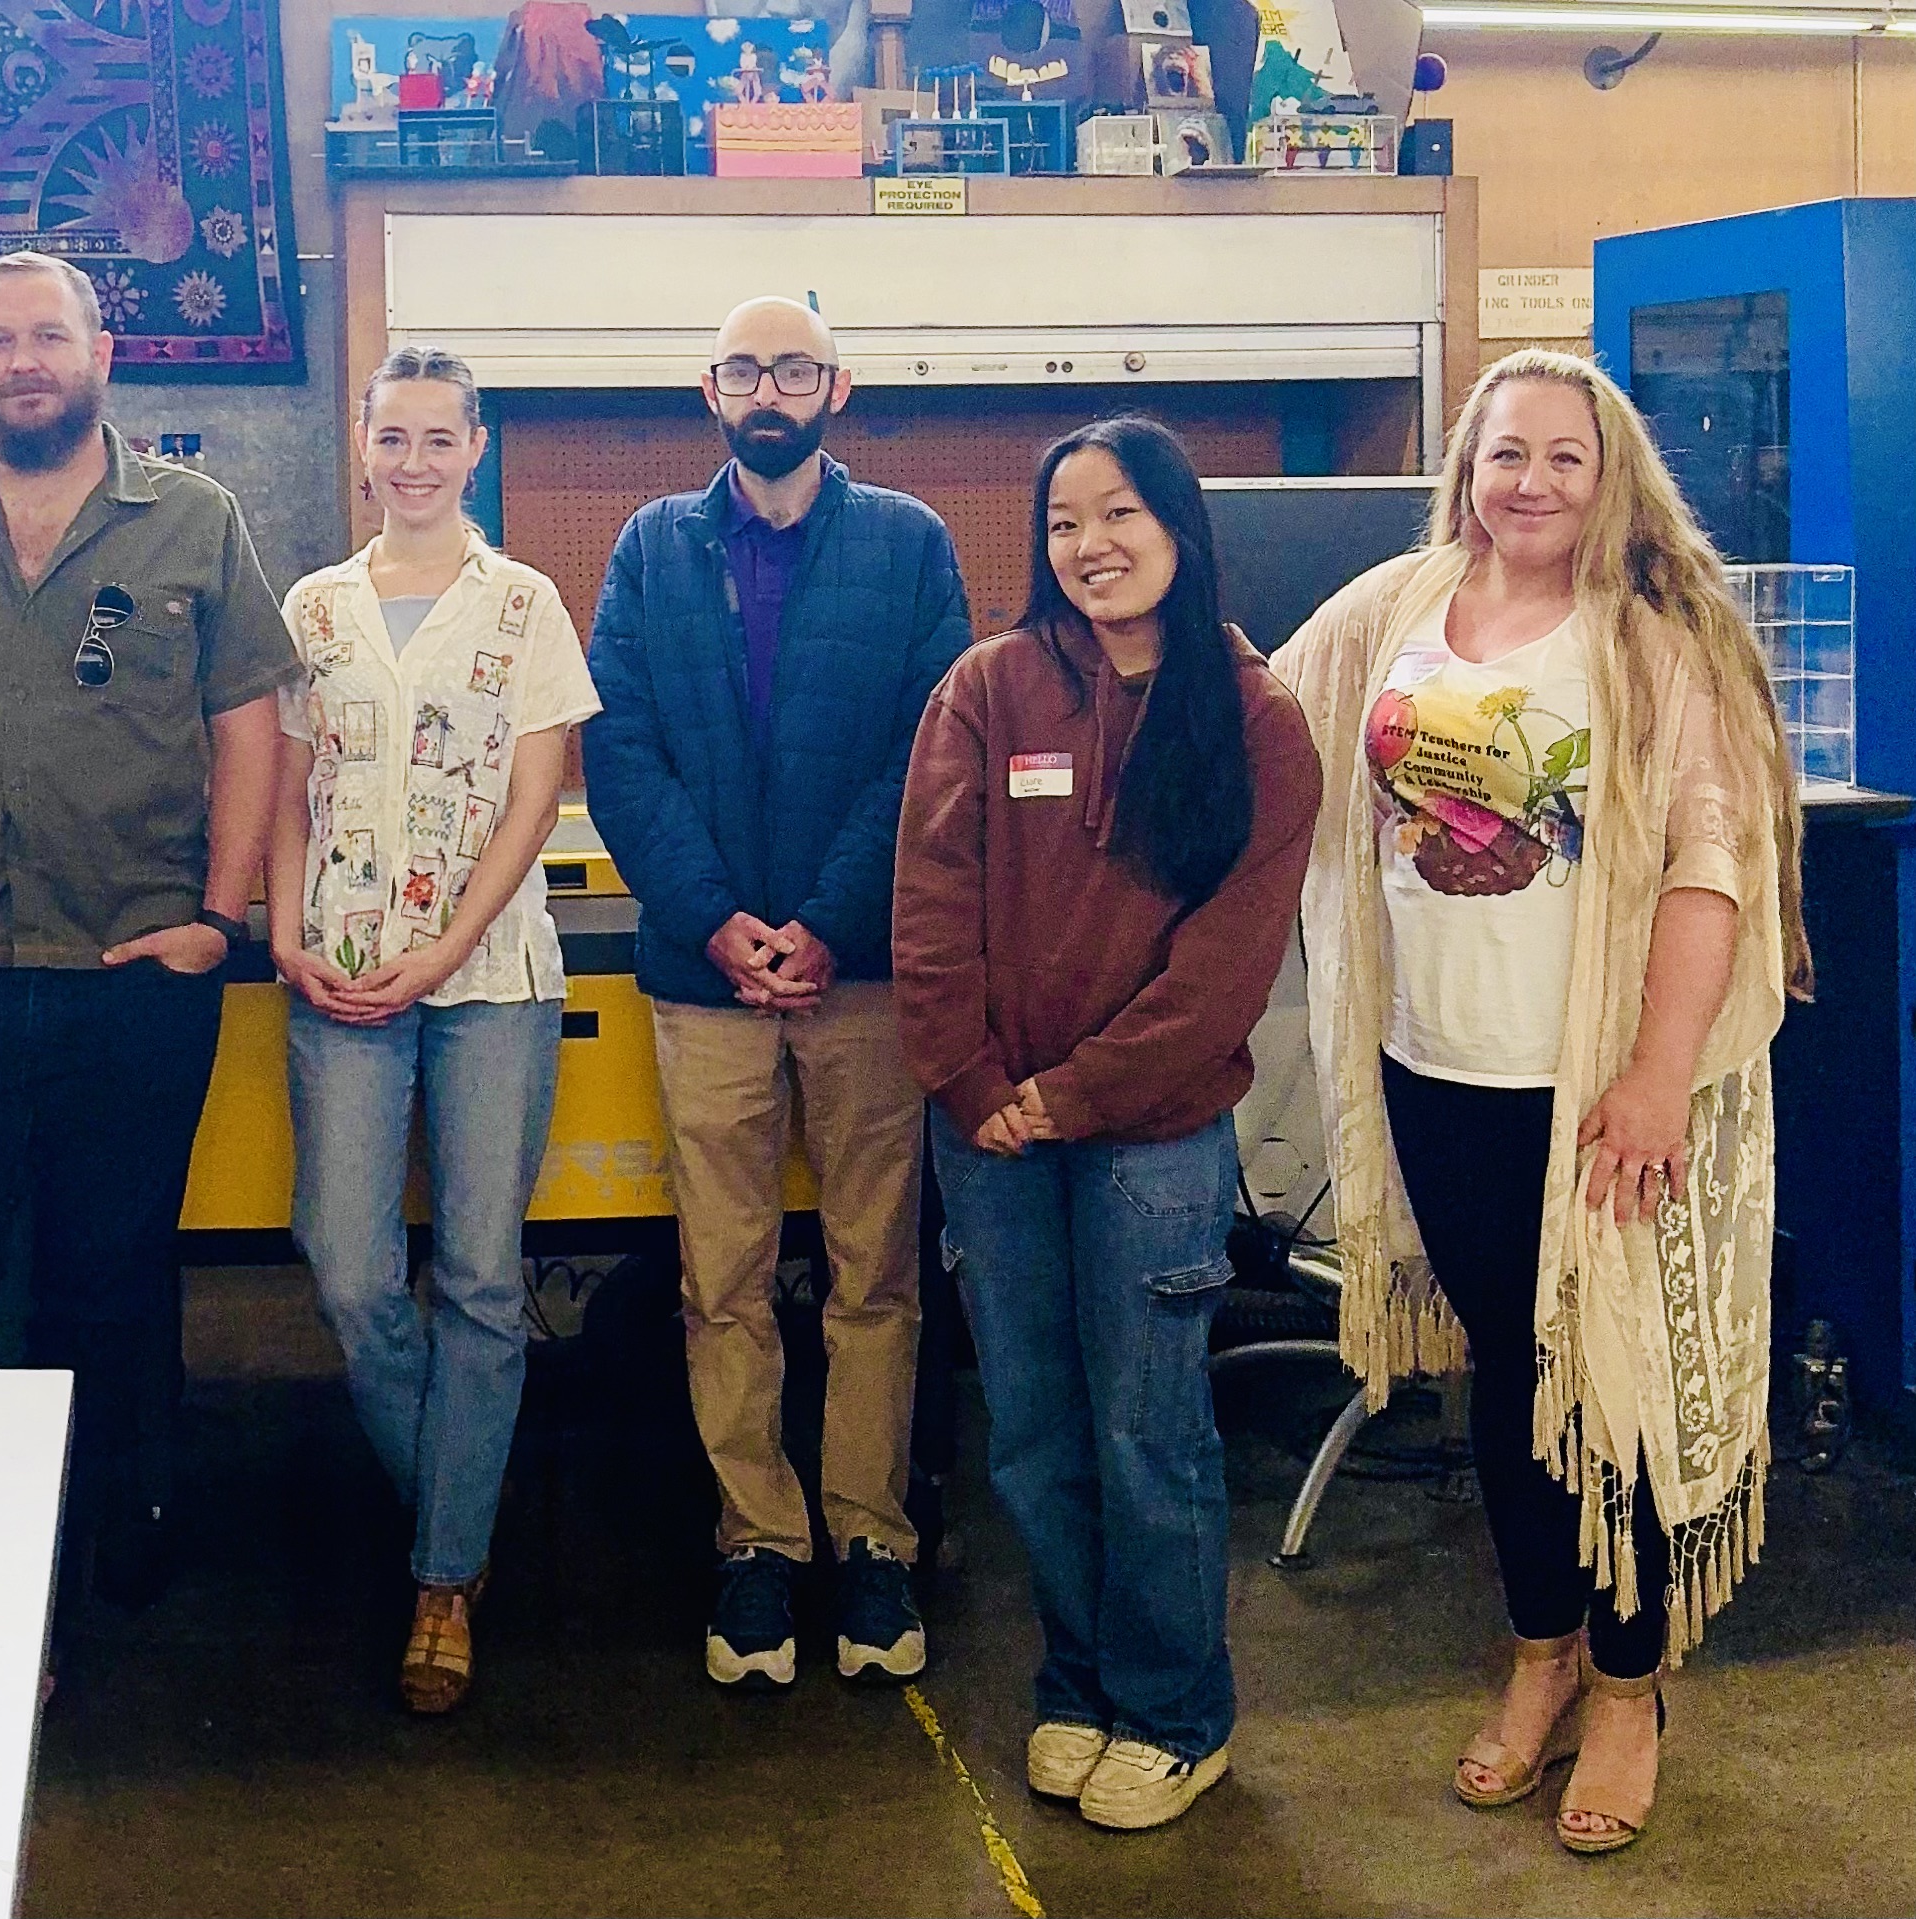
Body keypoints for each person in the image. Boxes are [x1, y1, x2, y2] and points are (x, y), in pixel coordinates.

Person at [1277, 350, 1809, 1856]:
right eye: (1506, 453)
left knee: (1606, 1382)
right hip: (1427, 1063)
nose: (1530, 482)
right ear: (1466, 466)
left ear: (1608, 476)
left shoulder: (1650, 645)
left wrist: (1652, 1073)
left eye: (1563, 458)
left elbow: (1713, 868)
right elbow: (1264, 708)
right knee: (1507, 1381)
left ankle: (1628, 1683)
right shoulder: (1392, 609)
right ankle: (1538, 1647)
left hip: (1581, 1092)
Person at [0, 250, 297, 1606]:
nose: (20, 361)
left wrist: (221, 916)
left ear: (102, 350)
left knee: (112, 1281)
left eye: (46, 336)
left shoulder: (192, 519)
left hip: (129, 972)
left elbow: (246, 722)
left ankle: (111, 1546)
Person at [896, 417, 1318, 1829]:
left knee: (1148, 1434)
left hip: (1147, 1135)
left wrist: (1066, 1093)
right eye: (1064, 520)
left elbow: (1222, 966)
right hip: (988, 1130)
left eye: (1119, 512)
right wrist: (968, 1082)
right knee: (1028, 1426)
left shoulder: (1254, 713)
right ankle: (1075, 1683)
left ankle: (1172, 1708)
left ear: (1180, 527)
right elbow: (930, 900)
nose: (1089, 544)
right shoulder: (987, 686)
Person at [586, 292, 971, 1689]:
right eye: (744, 366)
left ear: (835, 387)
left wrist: (819, 920)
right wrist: (720, 921)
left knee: (877, 1273)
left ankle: (870, 1538)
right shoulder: (647, 550)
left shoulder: (908, 545)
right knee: (722, 1277)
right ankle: (758, 1539)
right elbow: (620, 756)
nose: (768, 387)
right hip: (703, 985)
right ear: (708, 388)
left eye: (792, 366)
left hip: (865, 976)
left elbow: (933, 755)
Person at [264, 347, 596, 1714]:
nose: (411, 459)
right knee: (346, 1265)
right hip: (335, 970)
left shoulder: (520, 603)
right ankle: (456, 1500)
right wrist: (285, 930)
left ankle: (443, 1582)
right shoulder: (313, 607)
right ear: (360, 447)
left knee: (476, 1273)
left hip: (487, 977)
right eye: (389, 436)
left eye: (435, 437)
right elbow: (287, 786)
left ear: (473, 448)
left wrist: (446, 946)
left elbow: (532, 800)